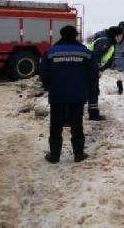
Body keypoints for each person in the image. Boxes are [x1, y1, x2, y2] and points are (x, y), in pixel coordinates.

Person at [40, 25, 98, 164]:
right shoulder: (86, 53)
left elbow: (43, 73)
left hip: (57, 95)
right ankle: (78, 154)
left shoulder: (50, 52)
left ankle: (54, 156)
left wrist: (49, 87)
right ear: (75, 36)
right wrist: (88, 90)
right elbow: (93, 74)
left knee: (56, 125)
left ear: (61, 35)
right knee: (77, 124)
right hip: (78, 95)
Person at [86, 26, 124, 121]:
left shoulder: (109, 41)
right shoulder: (106, 41)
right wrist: (97, 70)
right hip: (90, 68)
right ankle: (93, 115)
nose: (121, 39)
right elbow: (96, 56)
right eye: (120, 36)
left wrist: (102, 69)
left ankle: (91, 113)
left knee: (92, 90)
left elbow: (106, 58)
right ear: (116, 36)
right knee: (93, 91)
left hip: (91, 68)